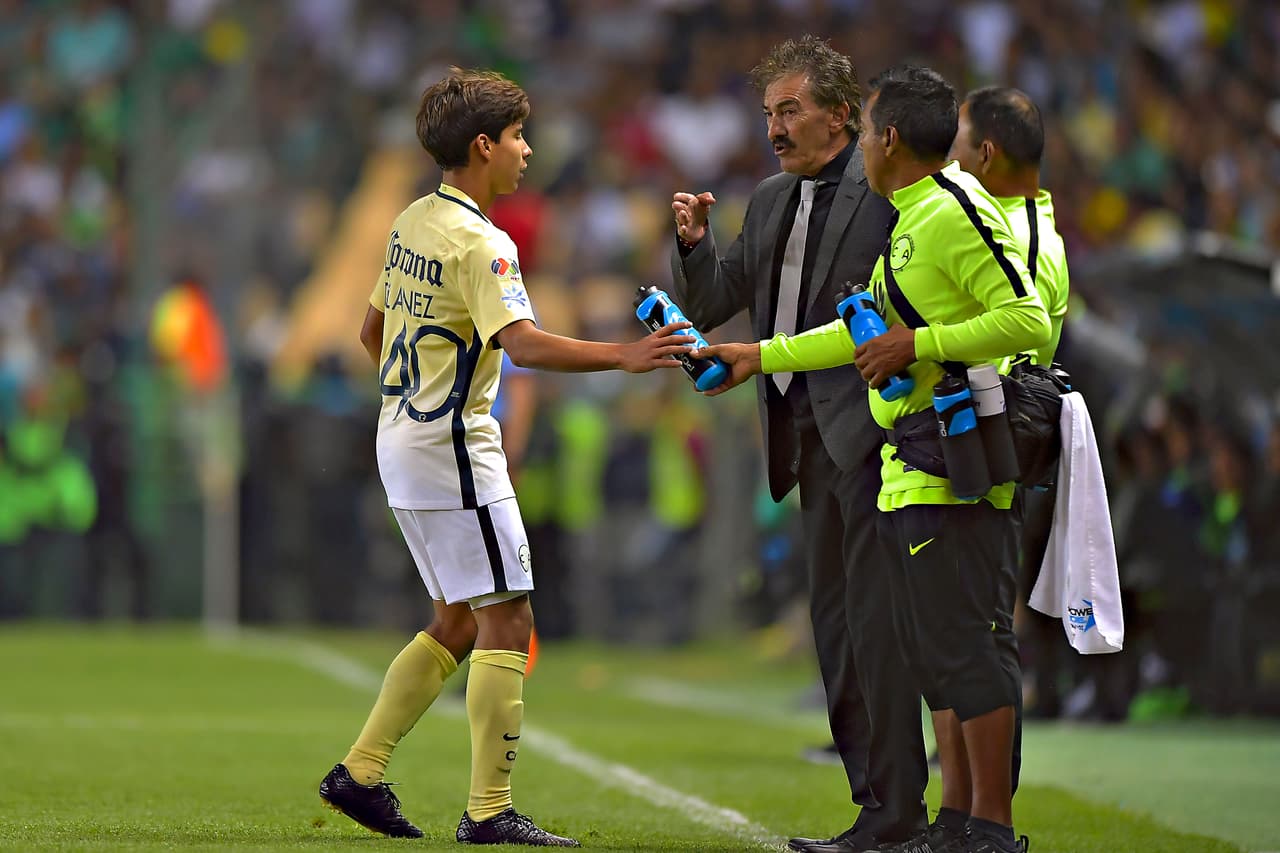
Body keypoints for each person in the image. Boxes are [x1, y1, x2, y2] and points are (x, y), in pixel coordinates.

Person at [317, 67, 694, 846]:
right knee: (510, 616)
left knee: (457, 618)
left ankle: (359, 772)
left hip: (401, 438)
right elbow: (522, 343)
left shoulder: (412, 221)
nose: (528, 150)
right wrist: (624, 356)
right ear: (484, 146)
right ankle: (489, 810)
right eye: (519, 135)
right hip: (454, 445)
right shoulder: (485, 242)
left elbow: (368, 334)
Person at [698, 65, 1050, 853]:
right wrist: (760, 353)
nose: (858, 147)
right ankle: (954, 820)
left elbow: (1029, 316)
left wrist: (916, 343)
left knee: (963, 641)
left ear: (883, 136)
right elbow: (861, 334)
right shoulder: (914, 218)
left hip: (955, 453)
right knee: (936, 644)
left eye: (860, 131)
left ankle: (990, 826)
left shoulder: (954, 208)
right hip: (917, 455)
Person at [670, 36, 928, 853]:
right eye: (769, 113)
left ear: (842, 115)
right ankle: (876, 800)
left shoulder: (886, 190)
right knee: (834, 626)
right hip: (805, 441)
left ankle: (898, 807)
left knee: (873, 625)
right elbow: (715, 302)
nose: (776, 128)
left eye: (791, 110)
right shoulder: (772, 198)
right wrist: (693, 245)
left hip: (878, 435)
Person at [949, 87, 1071, 726]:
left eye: (958, 146)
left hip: (992, 448)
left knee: (982, 624)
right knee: (967, 623)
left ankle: (986, 816)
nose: (950, 161)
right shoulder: (1017, 226)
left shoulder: (1018, 238)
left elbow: (1016, 334)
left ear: (987, 154)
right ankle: (966, 802)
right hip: (988, 441)